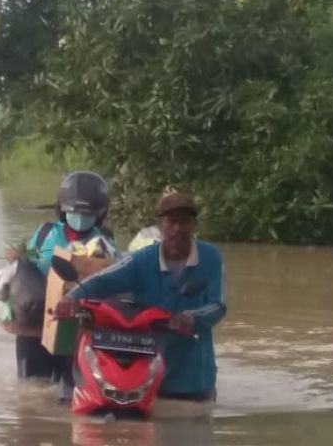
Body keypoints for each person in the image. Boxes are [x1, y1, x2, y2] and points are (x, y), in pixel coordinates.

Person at [55, 190, 226, 401]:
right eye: (171, 222)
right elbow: (103, 279)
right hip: (148, 372)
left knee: (195, 428)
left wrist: (192, 318)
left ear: (193, 225)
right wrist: (71, 298)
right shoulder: (142, 260)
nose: (177, 229)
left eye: (184, 222)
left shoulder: (211, 257)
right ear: (161, 225)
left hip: (194, 377)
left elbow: (218, 304)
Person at [15, 171, 119, 383]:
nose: (80, 219)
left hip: (80, 331)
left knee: (72, 392)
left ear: (100, 214)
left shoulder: (105, 242)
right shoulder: (45, 234)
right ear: (62, 210)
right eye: (74, 212)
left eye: (87, 214)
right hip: (36, 330)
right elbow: (25, 267)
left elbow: (115, 278)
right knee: (32, 392)